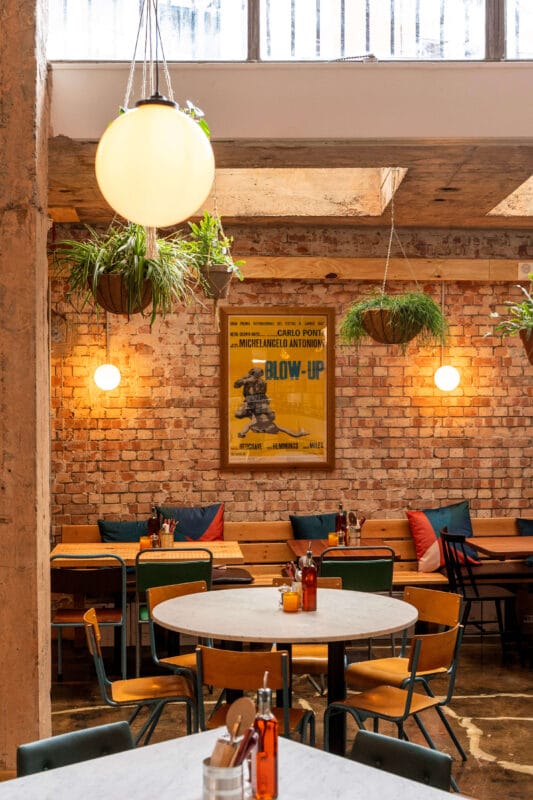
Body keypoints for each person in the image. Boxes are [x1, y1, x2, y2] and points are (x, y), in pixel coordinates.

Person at [233, 368, 308, 438]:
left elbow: (247, 425)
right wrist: (298, 434)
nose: (264, 418)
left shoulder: (255, 422)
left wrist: (242, 433)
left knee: (240, 414)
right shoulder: (269, 422)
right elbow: (286, 430)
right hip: (257, 403)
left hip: (255, 403)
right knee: (243, 413)